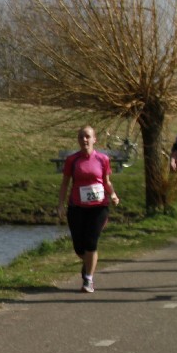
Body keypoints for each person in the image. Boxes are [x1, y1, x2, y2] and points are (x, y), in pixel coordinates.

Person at [57, 125, 120, 293]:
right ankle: (89, 262)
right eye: (81, 137)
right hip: (77, 207)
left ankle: (88, 279)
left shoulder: (102, 159)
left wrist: (113, 194)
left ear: (94, 139)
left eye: (87, 136)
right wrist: (61, 204)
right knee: (79, 247)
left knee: (91, 243)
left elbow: (106, 181)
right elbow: (65, 183)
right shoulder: (72, 160)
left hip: (99, 207)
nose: (84, 140)